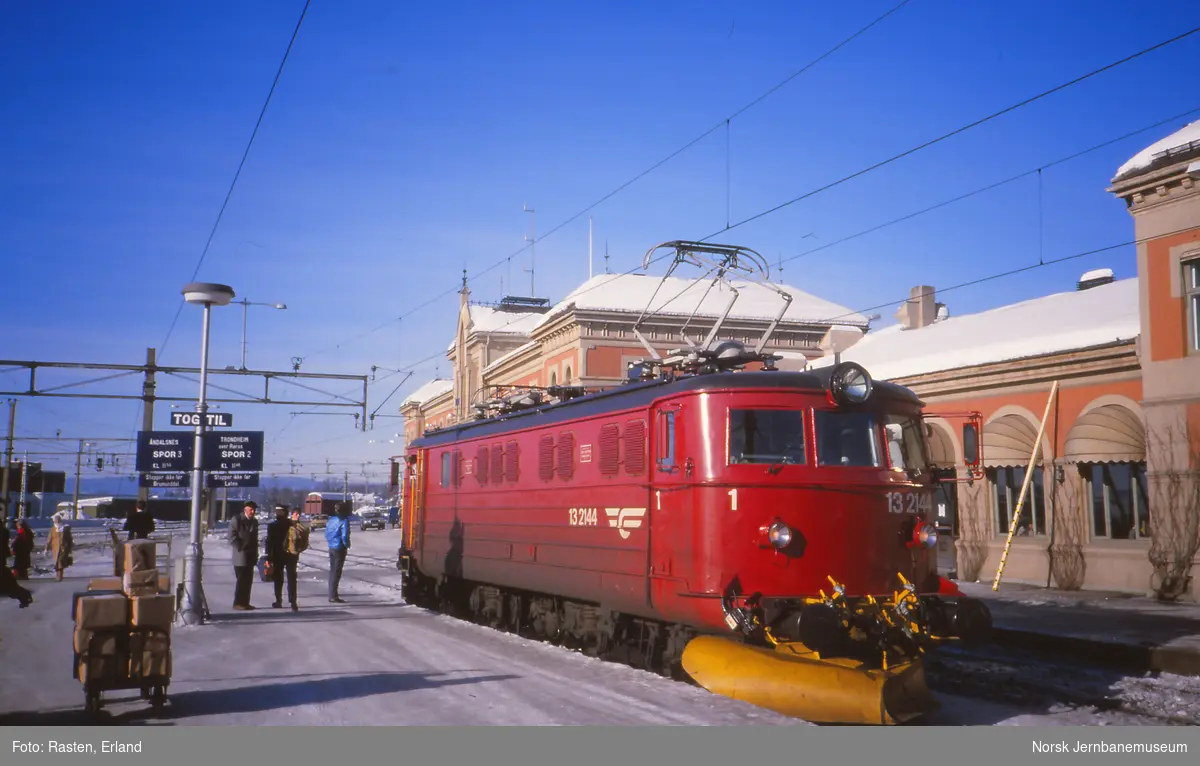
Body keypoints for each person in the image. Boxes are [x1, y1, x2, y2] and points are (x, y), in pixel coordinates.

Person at [265, 505, 299, 611]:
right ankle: (293, 601)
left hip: (277, 555)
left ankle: (278, 600)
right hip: (291, 555)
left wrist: (269, 557)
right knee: (291, 579)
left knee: (278, 579)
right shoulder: (291, 524)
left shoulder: (272, 526)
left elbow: (269, 542)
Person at [228, 500, 260, 610]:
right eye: (251, 509)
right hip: (240, 556)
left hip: (251, 555)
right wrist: (241, 546)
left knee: (248, 581)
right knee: (241, 580)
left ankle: (245, 602)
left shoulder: (254, 522)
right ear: (245, 509)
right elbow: (232, 537)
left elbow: (255, 539)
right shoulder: (237, 520)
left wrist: (256, 553)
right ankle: (238, 603)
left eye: (254, 510)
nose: (253, 511)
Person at [324, 502, 352, 603]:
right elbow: (344, 535)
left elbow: (326, 533)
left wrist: (330, 541)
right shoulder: (344, 520)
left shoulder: (331, 520)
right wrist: (347, 544)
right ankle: (333, 595)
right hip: (339, 547)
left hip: (331, 546)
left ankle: (331, 594)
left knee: (332, 571)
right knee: (337, 571)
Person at [45, 514, 74, 582]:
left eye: (58, 521)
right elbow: (49, 539)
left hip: (63, 549)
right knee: (57, 562)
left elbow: (69, 539)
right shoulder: (53, 529)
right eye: (55, 521)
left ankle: (59, 576)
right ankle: (58, 575)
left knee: (60, 561)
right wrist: (46, 548)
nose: (56, 522)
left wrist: (70, 548)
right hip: (55, 549)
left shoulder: (64, 529)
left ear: (60, 521)